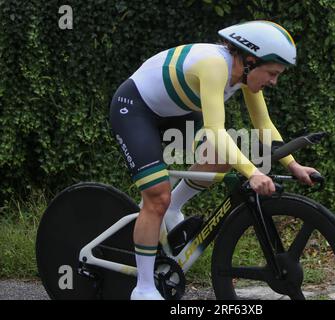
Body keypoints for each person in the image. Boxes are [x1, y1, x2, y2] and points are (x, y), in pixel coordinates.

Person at [109, 20, 319, 300]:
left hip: (178, 112)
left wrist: (294, 165)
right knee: (157, 196)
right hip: (136, 110)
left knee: (221, 157)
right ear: (250, 60)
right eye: (271, 73)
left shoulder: (244, 75)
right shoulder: (214, 65)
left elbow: (264, 125)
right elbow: (215, 130)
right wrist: (252, 172)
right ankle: (144, 288)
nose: (273, 81)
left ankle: (174, 208)